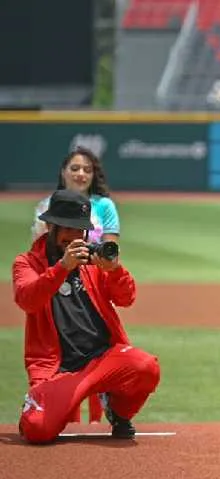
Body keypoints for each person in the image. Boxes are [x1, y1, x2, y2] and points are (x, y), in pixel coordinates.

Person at [13, 190, 161, 444]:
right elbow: (28, 299)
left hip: (102, 358)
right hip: (59, 369)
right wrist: (62, 267)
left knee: (146, 367)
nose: (74, 236)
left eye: (79, 230)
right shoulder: (27, 263)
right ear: (50, 227)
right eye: (67, 228)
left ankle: (117, 410)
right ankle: (37, 404)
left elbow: (126, 298)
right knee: (37, 430)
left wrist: (114, 271)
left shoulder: (92, 261)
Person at [32, 147, 123, 425]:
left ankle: (96, 421)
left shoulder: (104, 205)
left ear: (94, 174)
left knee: (97, 344)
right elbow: (40, 249)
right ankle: (65, 418)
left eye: (87, 169)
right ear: (63, 172)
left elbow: (110, 250)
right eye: (75, 168)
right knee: (64, 352)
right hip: (59, 282)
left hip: (91, 282)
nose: (81, 174)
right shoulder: (47, 205)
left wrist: (106, 267)